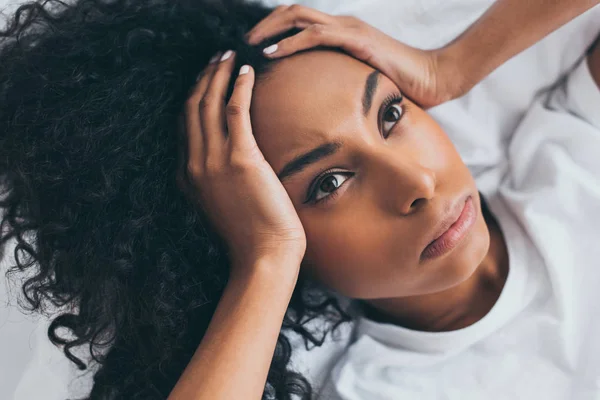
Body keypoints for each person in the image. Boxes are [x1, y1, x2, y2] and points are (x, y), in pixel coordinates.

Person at [0, 0, 598, 399]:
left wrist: (450, 68)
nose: (417, 185)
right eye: (328, 184)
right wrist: (264, 259)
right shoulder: (361, 386)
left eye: (391, 113)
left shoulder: (572, 149)